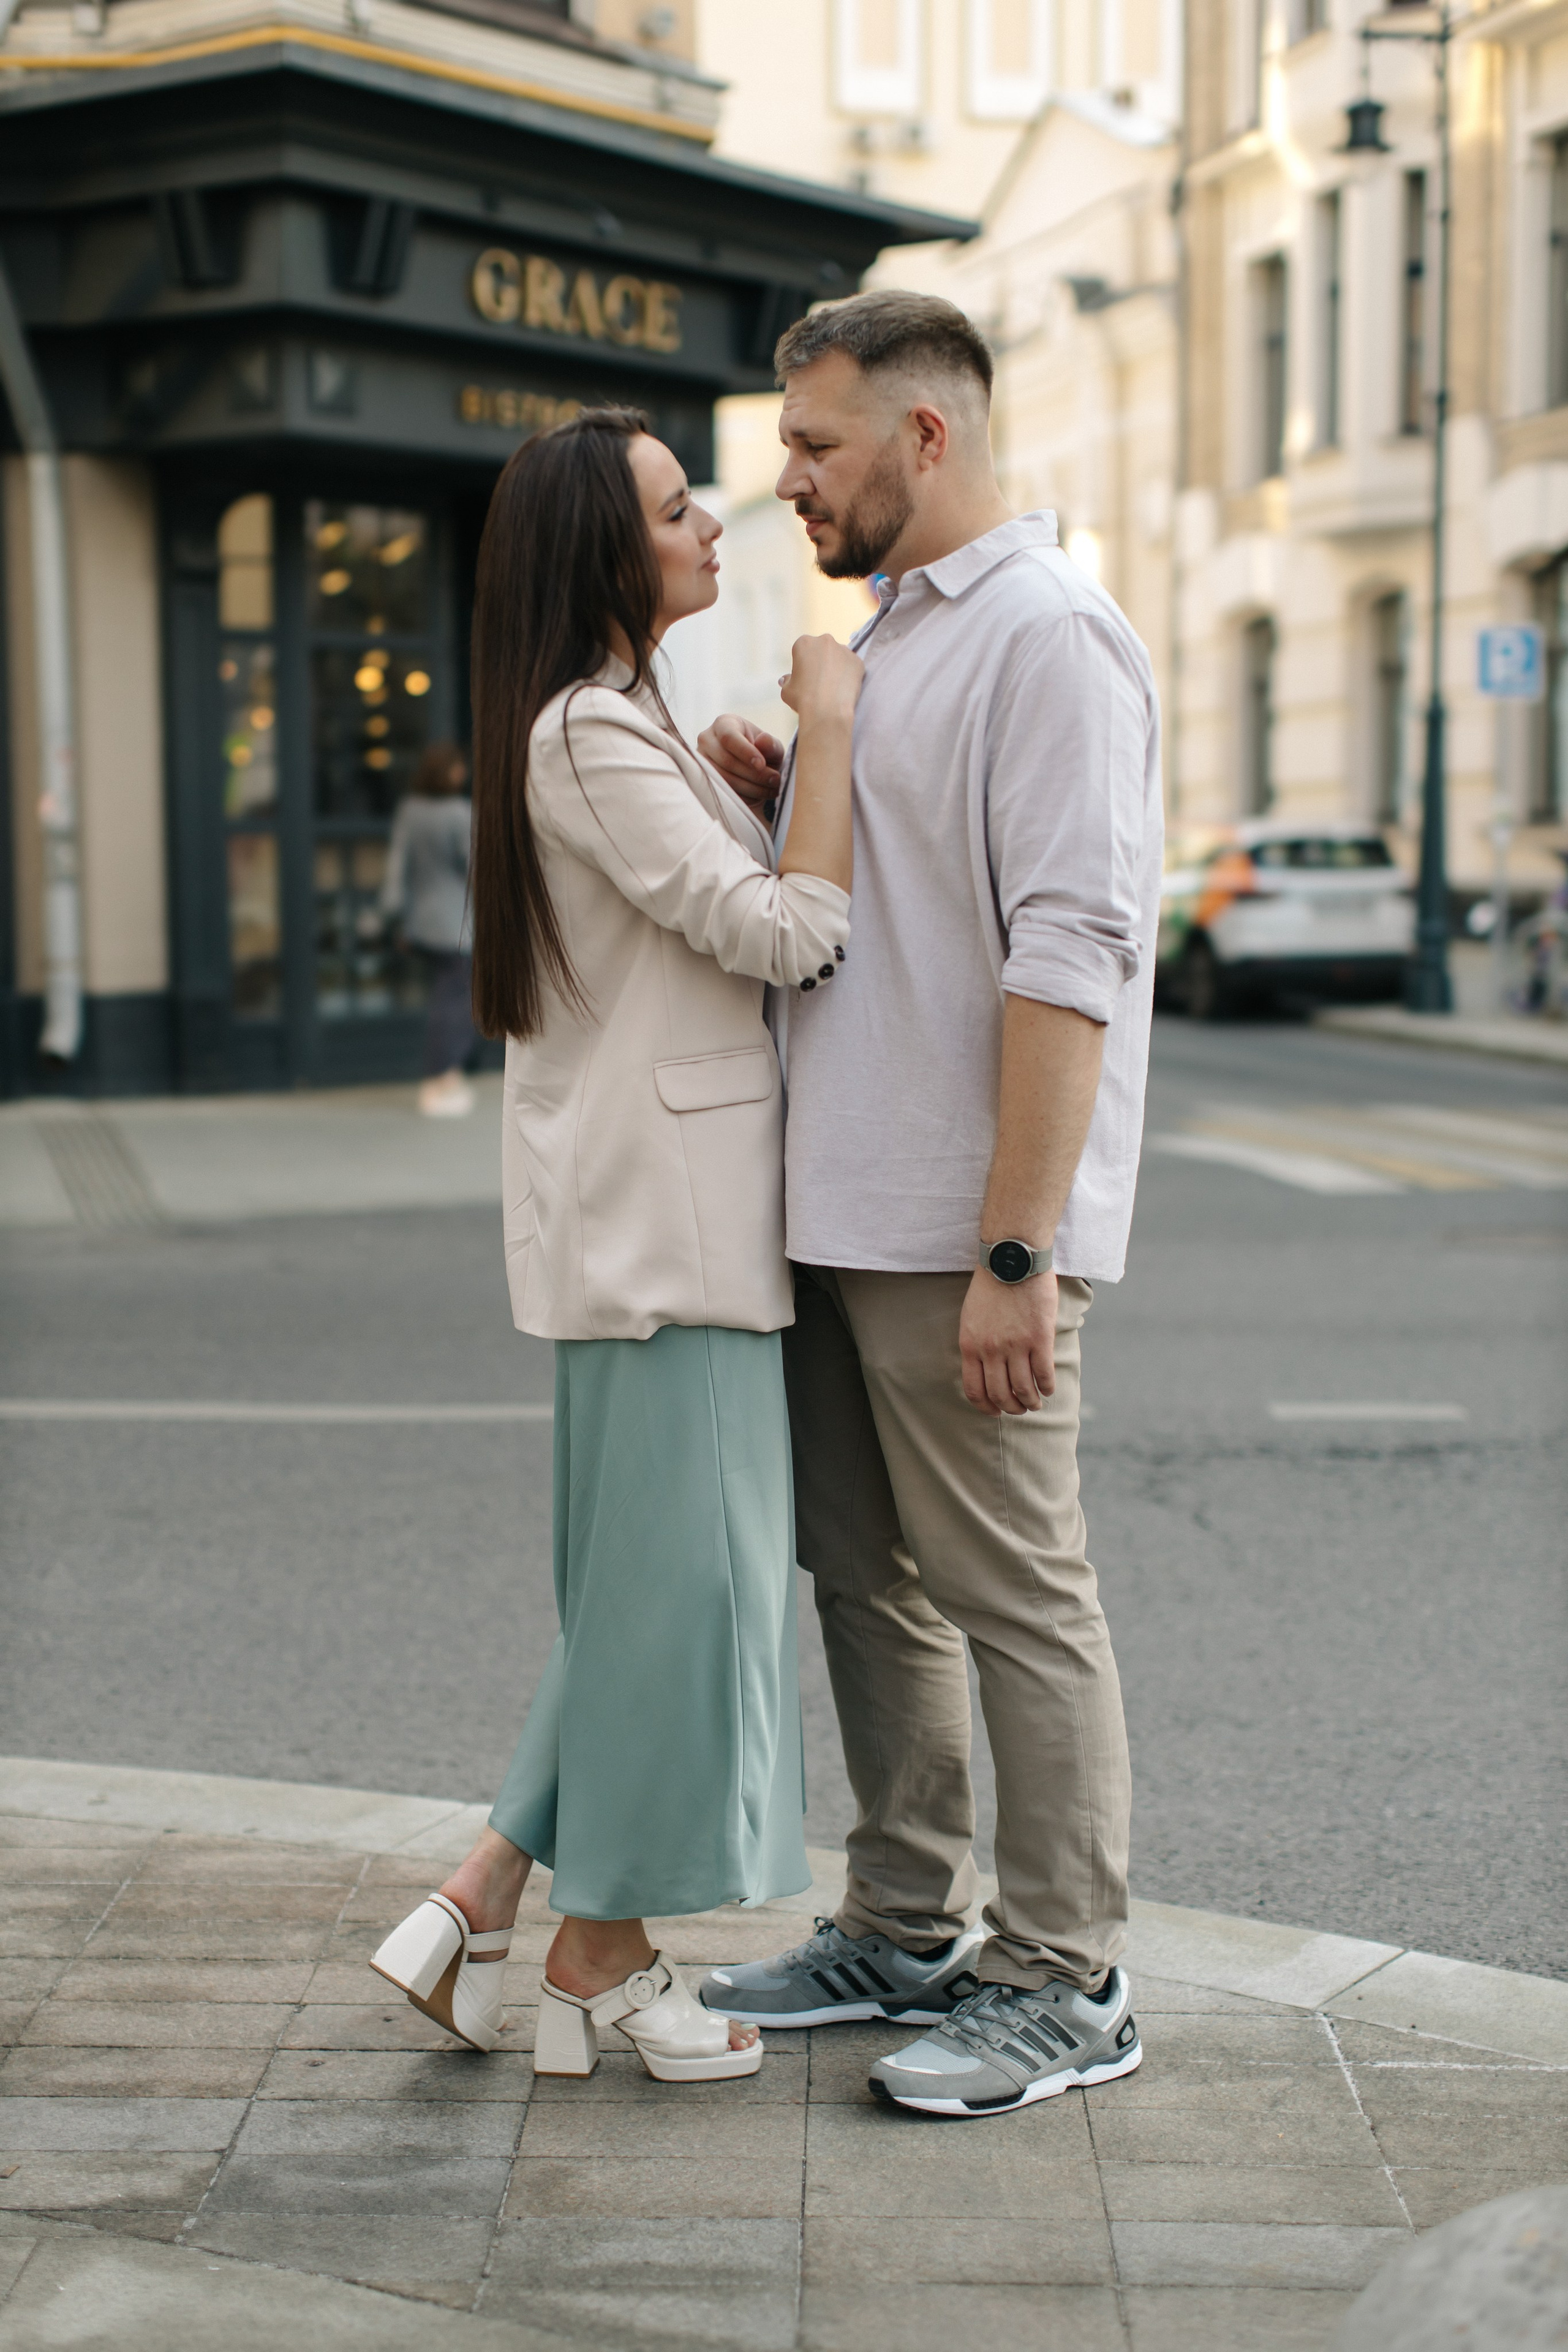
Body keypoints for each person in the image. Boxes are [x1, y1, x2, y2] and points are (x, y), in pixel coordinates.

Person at [696, 290, 1164, 2119]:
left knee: (1015, 1596)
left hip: (956, 1226)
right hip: (831, 1207)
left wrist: (1016, 1253)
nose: (787, 477)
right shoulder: (880, 640)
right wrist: (780, 794)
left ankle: (1066, 1974)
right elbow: (876, 926)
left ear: (927, 435)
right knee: (865, 1582)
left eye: (815, 443)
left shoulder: (1047, 636)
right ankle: (900, 1919)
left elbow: (1073, 954)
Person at [370, 406, 863, 2087]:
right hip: (675, 1235)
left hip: (658, 1224)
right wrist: (835, 738)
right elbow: (786, 935)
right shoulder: (588, 730)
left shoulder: (607, 723)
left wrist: (745, 778)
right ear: (607, 549)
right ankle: (600, 1962)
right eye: (676, 511)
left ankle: (487, 1902)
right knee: (684, 1609)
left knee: (647, 1606)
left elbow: (697, 921)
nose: (713, 527)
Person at [380, 742, 481, 1118]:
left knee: (446, 996)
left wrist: (395, 916)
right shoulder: (458, 812)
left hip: (420, 921)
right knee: (455, 1001)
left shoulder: (410, 810)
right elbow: (476, 869)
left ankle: (445, 1075)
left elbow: (397, 866)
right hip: (455, 923)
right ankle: (441, 1076)